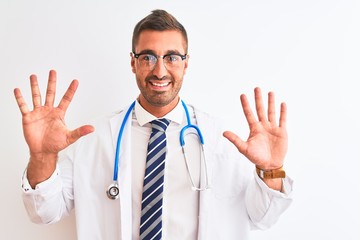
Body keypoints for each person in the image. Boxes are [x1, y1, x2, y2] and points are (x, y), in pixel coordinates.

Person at [14, 9, 293, 240]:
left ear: (185, 64)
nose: (160, 70)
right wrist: (42, 157)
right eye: (148, 57)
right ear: (133, 63)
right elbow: (44, 212)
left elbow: (264, 217)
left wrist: (271, 170)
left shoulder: (222, 140)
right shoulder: (92, 139)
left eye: (171, 57)